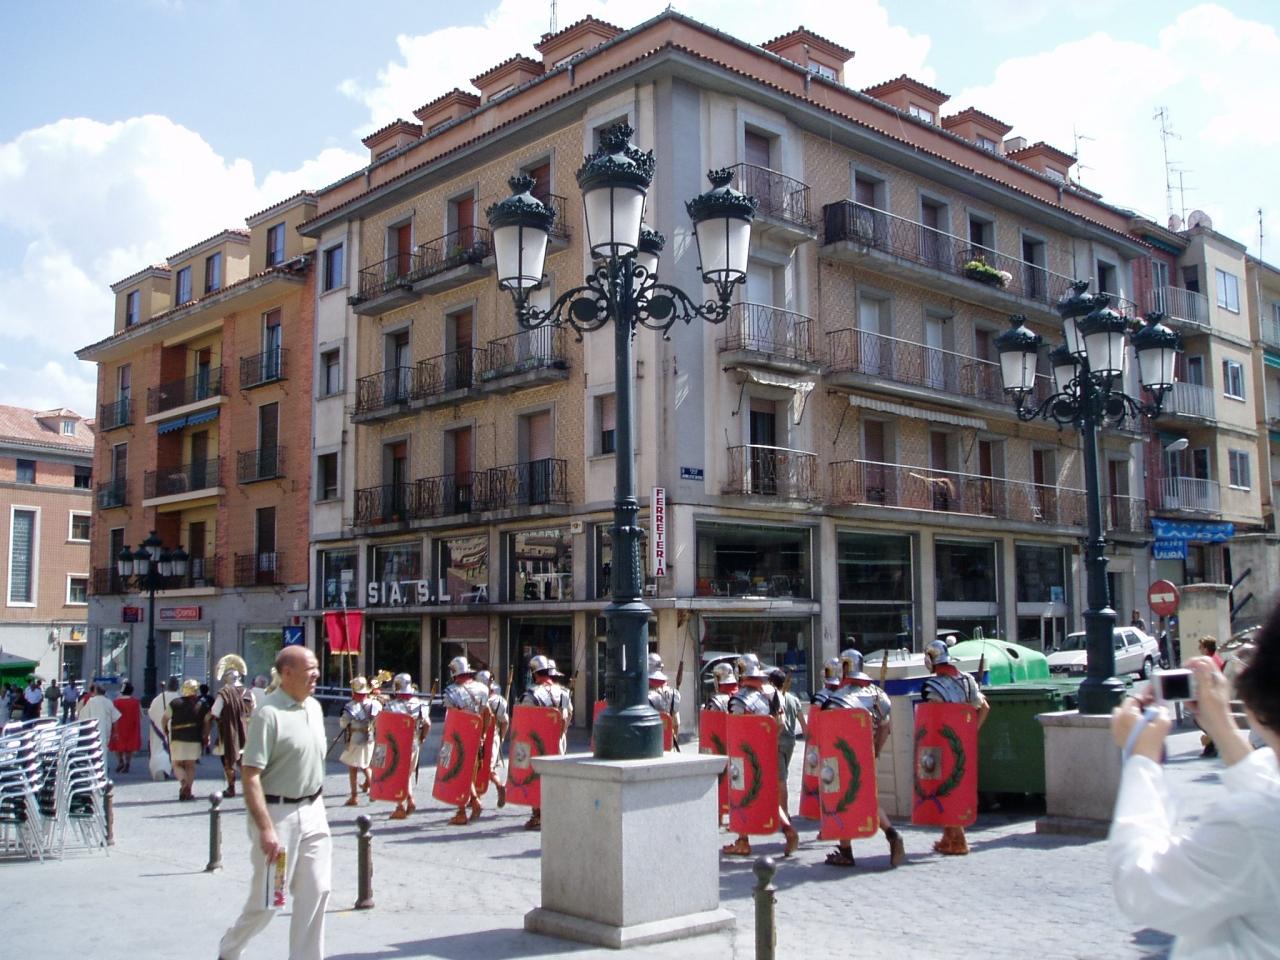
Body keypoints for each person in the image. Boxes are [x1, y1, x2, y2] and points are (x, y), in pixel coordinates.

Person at [1108, 600, 1280, 957]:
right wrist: (1222, 727)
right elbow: (1267, 792)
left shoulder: (1252, 822)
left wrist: (1142, 759)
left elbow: (1142, 885)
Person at [217, 645, 329, 960]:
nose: (316, 675)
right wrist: (266, 829)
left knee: (317, 890)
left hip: (314, 810)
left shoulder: (315, 707)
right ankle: (230, 949)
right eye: (310, 669)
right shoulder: (268, 714)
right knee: (269, 900)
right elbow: (250, 775)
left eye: (316, 668)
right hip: (278, 815)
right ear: (287, 673)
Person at [820, 649, 906, 868]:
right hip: (866, 755)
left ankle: (846, 851)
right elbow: (885, 728)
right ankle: (892, 834)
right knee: (868, 799)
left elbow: (830, 734)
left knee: (841, 798)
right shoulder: (878, 695)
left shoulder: (838, 698)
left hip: (841, 759)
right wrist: (875, 751)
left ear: (844, 668)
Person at [721, 655, 800, 858]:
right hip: (768, 750)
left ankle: (743, 841)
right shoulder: (773, 694)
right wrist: (767, 744)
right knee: (767, 793)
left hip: (744, 756)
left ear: (741, 672)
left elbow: (736, 732)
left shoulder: (738, 700)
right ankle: (788, 829)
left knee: (741, 794)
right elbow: (780, 723)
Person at [920, 639, 989, 856]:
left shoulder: (932, 687)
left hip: (942, 744)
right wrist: (970, 732)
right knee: (954, 786)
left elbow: (934, 718)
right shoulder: (967, 680)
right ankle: (948, 837)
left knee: (945, 788)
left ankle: (959, 839)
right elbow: (984, 707)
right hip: (962, 742)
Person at [520, 655, 572, 831]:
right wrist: (562, 733)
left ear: (534, 673)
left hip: (537, 743)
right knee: (556, 776)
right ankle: (556, 813)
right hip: (558, 741)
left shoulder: (531, 695)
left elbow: (525, 722)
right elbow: (569, 715)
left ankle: (538, 815)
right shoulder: (563, 692)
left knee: (535, 777)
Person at [441, 656, 492, 825]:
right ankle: (470, 804)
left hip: (459, 737)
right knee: (469, 771)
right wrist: (483, 734)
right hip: (476, 736)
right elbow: (487, 714)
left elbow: (453, 718)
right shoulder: (482, 689)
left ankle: (465, 808)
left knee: (459, 772)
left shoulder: (451, 692)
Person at [382, 673, 430, 820]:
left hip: (398, 745)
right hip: (414, 743)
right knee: (407, 774)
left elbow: (384, 726)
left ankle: (400, 807)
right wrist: (422, 738)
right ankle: (409, 800)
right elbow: (427, 724)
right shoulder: (420, 704)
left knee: (398, 774)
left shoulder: (391, 706)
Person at [207, 662, 255, 797]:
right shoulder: (249, 693)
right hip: (246, 731)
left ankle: (231, 787)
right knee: (245, 761)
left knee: (228, 759)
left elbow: (215, 712)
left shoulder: (224, 693)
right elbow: (254, 711)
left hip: (229, 731)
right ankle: (250, 787)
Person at [770, 667, 807, 817]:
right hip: (790, 742)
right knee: (781, 776)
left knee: (781, 780)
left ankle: (784, 813)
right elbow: (803, 724)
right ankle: (778, 810)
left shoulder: (773, 699)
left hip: (778, 742)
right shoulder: (794, 699)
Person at [339, 676, 380, 806]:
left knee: (355, 767)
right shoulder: (374, 704)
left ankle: (355, 796)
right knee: (365, 764)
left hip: (356, 738)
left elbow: (343, 723)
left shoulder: (351, 706)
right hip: (370, 737)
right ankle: (370, 791)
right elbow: (378, 721)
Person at [165, 679, 205, 801]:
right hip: (195, 738)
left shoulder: (175, 703)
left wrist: (165, 730)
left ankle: (183, 783)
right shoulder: (201, 704)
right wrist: (206, 734)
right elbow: (208, 720)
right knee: (190, 765)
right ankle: (189, 790)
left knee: (176, 764)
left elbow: (165, 719)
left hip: (177, 738)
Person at [477, 669, 509, 808]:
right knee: (486, 766)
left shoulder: (473, 698)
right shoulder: (499, 701)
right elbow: (505, 722)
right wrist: (501, 738)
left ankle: (497, 785)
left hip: (478, 737)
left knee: (479, 766)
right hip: (493, 736)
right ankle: (477, 795)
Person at [148, 677, 180, 781]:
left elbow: (151, 713)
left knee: (160, 749)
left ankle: (161, 769)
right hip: (175, 729)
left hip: (159, 728)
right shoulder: (180, 698)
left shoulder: (158, 698)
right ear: (177, 686)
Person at [80, 683, 122, 759]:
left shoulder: (91, 701)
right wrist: (115, 732)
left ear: (95, 692)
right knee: (103, 750)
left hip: (92, 730)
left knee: (93, 750)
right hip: (105, 730)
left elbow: (83, 717)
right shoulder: (108, 702)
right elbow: (115, 718)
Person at [647, 652, 680, 747]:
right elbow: (676, 723)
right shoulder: (673, 693)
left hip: (650, 743)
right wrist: (672, 743)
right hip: (667, 742)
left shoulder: (643, 694)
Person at [108, 682, 142, 774]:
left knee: (117, 745)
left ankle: (120, 761)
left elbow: (113, 716)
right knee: (129, 747)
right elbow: (140, 715)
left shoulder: (116, 702)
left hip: (119, 726)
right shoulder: (136, 702)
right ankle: (127, 763)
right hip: (132, 726)